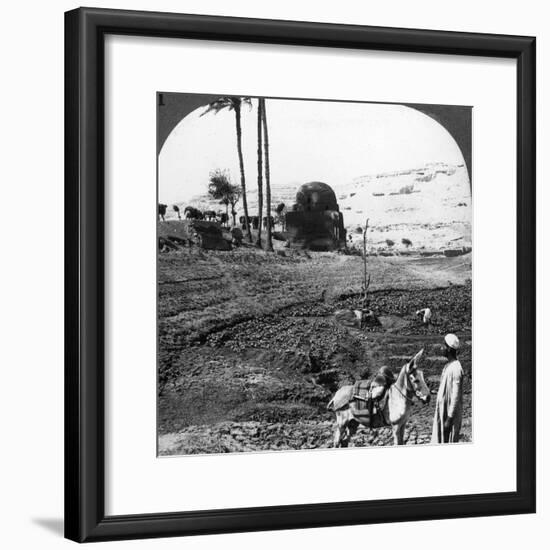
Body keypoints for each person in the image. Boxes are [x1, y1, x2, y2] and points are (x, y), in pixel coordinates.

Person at [432, 334, 464, 443]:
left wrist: (449, 418)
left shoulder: (456, 368)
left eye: (444, 345)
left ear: (449, 349)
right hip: (443, 411)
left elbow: (455, 395)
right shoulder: (448, 365)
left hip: (449, 415)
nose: (441, 347)